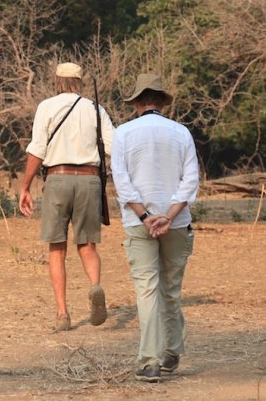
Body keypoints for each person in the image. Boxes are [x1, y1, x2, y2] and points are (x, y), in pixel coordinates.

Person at [111, 73, 199, 383]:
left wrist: (146, 215)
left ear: (136, 102)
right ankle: (171, 352)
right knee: (171, 288)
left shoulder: (123, 133)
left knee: (146, 289)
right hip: (176, 222)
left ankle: (149, 361)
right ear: (162, 101)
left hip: (139, 222)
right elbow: (190, 180)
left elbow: (122, 181)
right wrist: (170, 215)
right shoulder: (181, 132)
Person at [18, 62, 114, 332]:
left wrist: (25, 186)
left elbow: (37, 149)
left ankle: (62, 314)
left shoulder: (47, 107)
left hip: (58, 178)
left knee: (57, 248)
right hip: (89, 180)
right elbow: (114, 146)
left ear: (57, 82)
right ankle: (95, 286)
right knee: (88, 245)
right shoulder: (96, 109)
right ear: (80, 82)